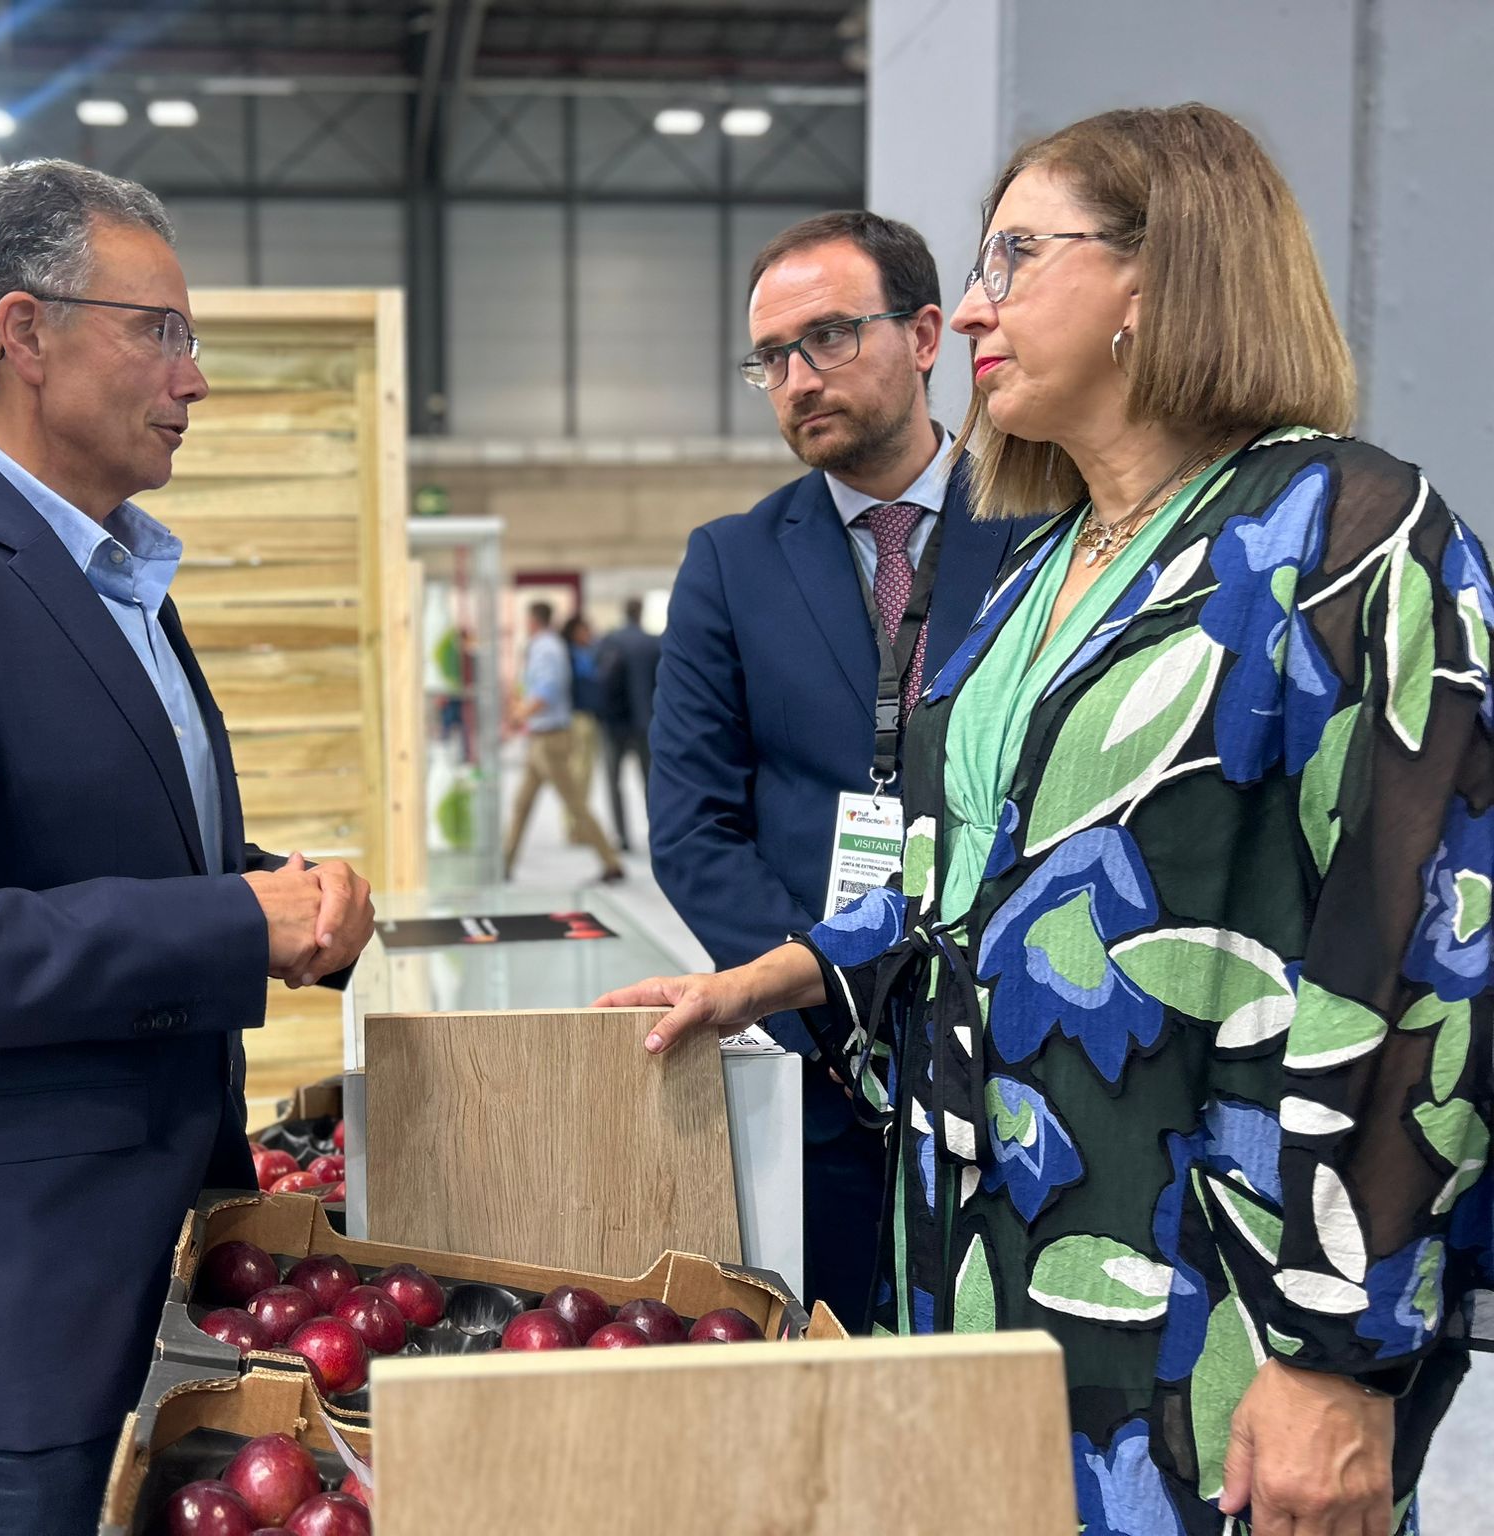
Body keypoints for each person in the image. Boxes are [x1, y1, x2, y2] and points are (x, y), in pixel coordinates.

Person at [604, 104, 1491, 1535]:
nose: (970, 307)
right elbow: (971, 870)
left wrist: (1340, 1358)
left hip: (1213, 1294)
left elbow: (1425, 962)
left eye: (1017, 254)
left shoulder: (1350, 537)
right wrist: (793, 972)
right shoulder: (1042, 572)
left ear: (1163, 274)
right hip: (986, 1266)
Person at [0, 160, 375, 1535]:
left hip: (156, 1267)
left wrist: (287, 892)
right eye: (158, 329)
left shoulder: (116, 579)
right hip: (12, 1324)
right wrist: (233, 926)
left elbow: (89, 848)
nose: (192, 375)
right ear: (24, 334)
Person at [647, 209, 1027, 1328]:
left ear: (921, 336)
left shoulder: (1049, 528)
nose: (795, 380)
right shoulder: (729, 563)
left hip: (1007, 1061)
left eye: (826, 338)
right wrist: (827, 1005)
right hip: (823, 1079)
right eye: (769, 357)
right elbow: (691, 827)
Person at [503, 600, 624, 882]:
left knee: (575, 804)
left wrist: (521, 713)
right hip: (539, 739)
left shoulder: (547, 647)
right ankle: (504, 863)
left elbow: (547, 688)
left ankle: (611, 862)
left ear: (533, 620)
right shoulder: (544, 646)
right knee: (522, 803)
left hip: (551, 739)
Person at [596, 598, 662, 853]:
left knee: (614, 782)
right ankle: (656, 832)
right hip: (646, 721)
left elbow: (597, 678)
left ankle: (622, 837)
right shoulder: (652, 643)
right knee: (649, 781)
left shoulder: (610, 641)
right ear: (641, 613)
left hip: (614, 724)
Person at [561, 613, 603, 845]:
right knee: (578, 775)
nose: (589, 635)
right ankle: (574, 826)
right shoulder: (570, 655)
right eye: (585, 630)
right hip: (578, 718)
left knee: (584, 776)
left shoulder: (586, 653)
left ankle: (577, 825)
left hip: (587, 716)